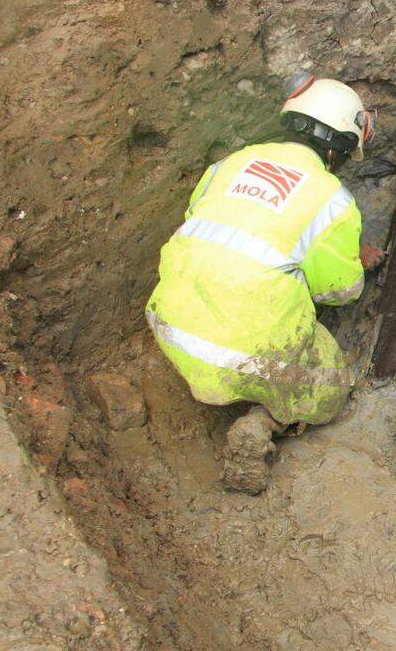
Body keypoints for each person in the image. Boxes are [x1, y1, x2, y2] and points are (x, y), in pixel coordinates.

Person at [146, 74, 383, 494]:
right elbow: (340, 292)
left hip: (169, 326)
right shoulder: (334, 201)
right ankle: (264, 420)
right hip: (247, 351)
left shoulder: (229, 164)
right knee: (332, 385)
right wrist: (354, 261)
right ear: (341, 147)